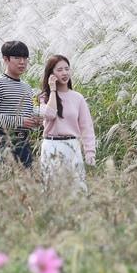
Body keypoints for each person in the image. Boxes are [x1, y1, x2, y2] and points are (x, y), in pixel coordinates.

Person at [39, 55, 96, 188]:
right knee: (52, 190)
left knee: (76, 190)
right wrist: (52, 90)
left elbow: (86, 127)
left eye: (67, 69)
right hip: (51, 146)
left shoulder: (78, 98)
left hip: (72, 146)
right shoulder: (43, 98)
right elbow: (51, 114)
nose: (64, 73)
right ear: (51, 74)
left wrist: (90, 152)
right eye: (59, 70)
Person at [0, 41, 40, 167]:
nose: (22, 62)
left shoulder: (27, 87)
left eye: (25, 58)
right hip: (2, 142)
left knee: (26, 184)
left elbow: (29, 114)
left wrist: (36, 121)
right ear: (6, 59)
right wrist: (20, 121)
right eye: (17, 58)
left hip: (24, 143)